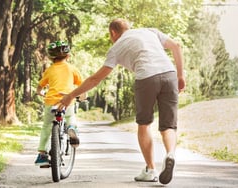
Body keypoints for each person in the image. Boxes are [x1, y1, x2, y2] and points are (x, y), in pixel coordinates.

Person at [58, 18, 185, 184]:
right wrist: (181, 75)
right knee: (168, 125)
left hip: (146, 77)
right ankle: (170, 154)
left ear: (113, 32)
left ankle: (151, 169)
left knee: (144, 124)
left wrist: (69, 96)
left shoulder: (116, 48)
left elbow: (95, 79)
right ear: (129, 27)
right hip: (169, 73)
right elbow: (176, 46)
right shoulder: (150, 31)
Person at [34, 41, 86, 167]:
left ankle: (42, 155)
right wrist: (83, 97)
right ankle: (72, 128)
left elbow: (40, 86)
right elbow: (82, 86)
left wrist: (40, 93)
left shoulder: (49, 70)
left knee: (47, 126)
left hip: (51, 101)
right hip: (67, 99)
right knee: (69, 117)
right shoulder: (72, 69)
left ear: (51, 58)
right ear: (68, 56)